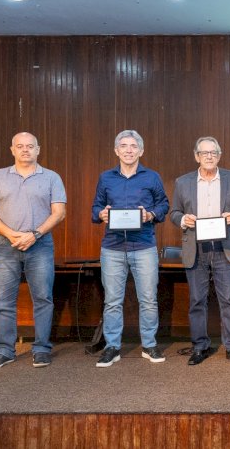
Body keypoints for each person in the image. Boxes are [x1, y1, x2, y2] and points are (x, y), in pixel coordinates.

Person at [0, 132, 66, 370]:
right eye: (20, 146)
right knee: (3, 300)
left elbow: (59, 213)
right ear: (12, 150)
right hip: (5, 246)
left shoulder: (51, 178)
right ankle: (5, 351)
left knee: (43, 298)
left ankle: (41, 349)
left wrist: (34, 234)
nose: (25, 150)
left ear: (38, 150)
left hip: (40, 245)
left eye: (30, 146)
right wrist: (10, 234)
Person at [91, 130, 169, 367]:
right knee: (113, 301)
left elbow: (163, 204)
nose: (128, 150)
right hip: (112, 248)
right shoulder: (106, 178)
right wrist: (100, 214)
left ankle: (149, 345)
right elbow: (95, 207)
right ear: (116, 151)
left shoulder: (152, 177)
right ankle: (112, 347)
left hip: (144, 246)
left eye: (133, 146)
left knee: (148, 299)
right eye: (123, 146)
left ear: (141, 151)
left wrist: (152, 214)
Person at [170, 137, 230, 366]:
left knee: (229, 299)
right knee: (197, 300)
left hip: (225, 248)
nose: (209, 156)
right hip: (196, 249)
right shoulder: (183, 182)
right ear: (196, 156)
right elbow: (174, 213)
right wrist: (184, 219)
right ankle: (199, 347)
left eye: (213, 153)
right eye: (204, 153)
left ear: (219, 155)